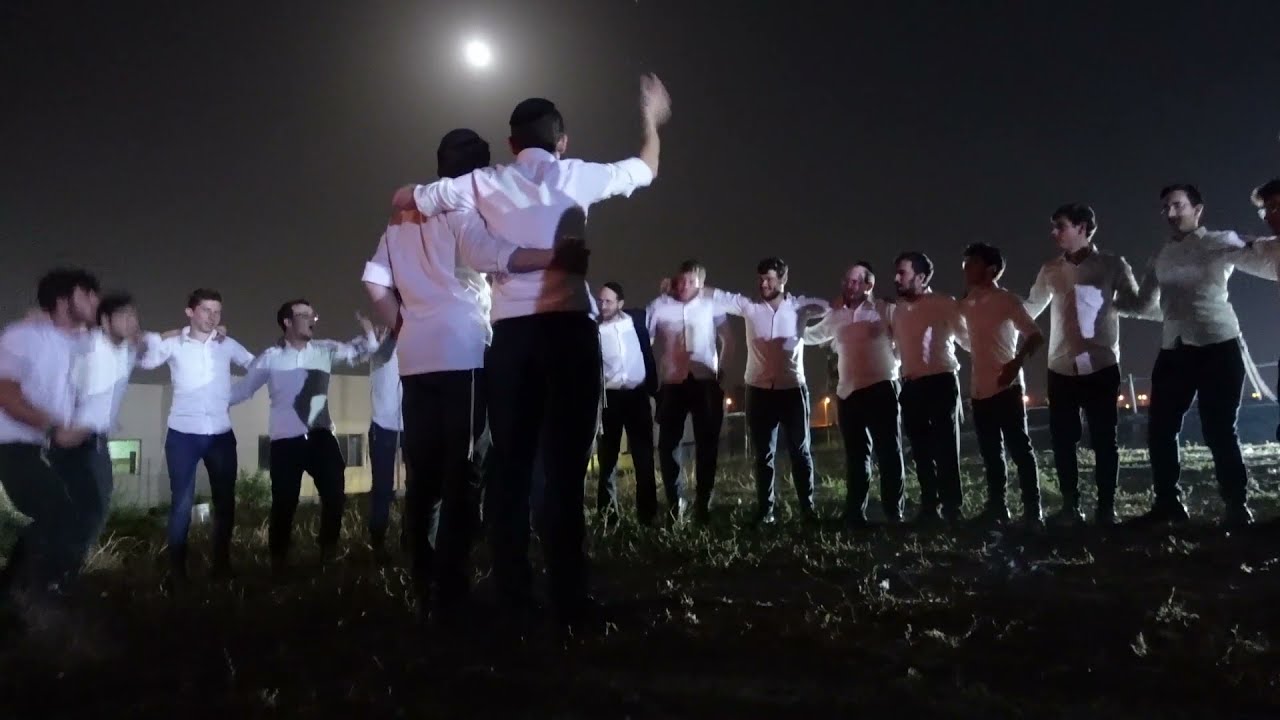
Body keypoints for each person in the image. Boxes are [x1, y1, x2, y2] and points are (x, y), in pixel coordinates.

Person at [391, 74, 671, 630]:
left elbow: (405, 197)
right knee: (564, 471)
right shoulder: (578, 174)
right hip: (569, 333)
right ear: (561, 142)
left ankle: (513, 593)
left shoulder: (482, 183)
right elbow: (646, 167)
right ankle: (569, 597)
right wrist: (651, 118)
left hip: (512, 339)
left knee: (512, 468)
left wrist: (421, 203)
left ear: (511, 143)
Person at [367, 128, 579, 623]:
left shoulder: (398, 219)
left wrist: (402, 324)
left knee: (422, 475)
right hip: (461, 353)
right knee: (462, 474)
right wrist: (554, 257)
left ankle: (423, 581)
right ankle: (450, 592)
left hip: (415, 358)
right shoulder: (462, 207)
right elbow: (491, 256)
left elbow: (374, 281)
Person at [1129, 184, 1270, 528]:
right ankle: (1167, 504)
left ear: (1197, 209)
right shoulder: (1160, 255)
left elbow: (1265, 262)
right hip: (1175, 348)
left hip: (1218, 344)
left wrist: (1258, 242)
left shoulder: (1219, 242)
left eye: (1178, 205)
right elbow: (1145, 305)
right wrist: (1109, 302)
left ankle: (1236, 506)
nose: (1171, 213)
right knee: (1160, 429)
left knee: (1219, 430)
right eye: (1166, 207)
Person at [230, 302, 378, 573]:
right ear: (287, 322)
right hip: (285, 441)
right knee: (284, 503)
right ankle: (278, 560)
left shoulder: (324, 350)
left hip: (320, 436)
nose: (311, 320)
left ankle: (327, 552)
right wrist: (206, 402)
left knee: (335, 495)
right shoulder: (271, 358)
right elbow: (242, 390)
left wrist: (368, 330)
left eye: (313, 315)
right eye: (304, 315)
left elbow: (363, 351)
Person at [1024, 203, 1143, 525]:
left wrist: (1162, 289)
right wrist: (996, 312)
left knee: (1104, 439)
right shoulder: (1050, 269)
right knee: (1063, 440)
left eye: (1060, 226)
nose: (1054, 233)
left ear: (1082, 227)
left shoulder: (1112, 265)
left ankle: (1106, 508)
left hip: (1101, 364)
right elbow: (1031, 308)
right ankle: (1070, 507)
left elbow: (1136, 303)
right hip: (1060, 366)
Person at [0, 269, 98, 627]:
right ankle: (36, 596)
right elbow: (6, 393)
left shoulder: (79, 340)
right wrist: (54, 427)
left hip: (41, 445)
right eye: (87, 294)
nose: (95, 301)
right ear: (62, 300)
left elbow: (129, 341)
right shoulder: (23, 336)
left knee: (74, 512)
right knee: (58, 512)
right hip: (10, 442)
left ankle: (16, 591)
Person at [137, 288, 255, 580]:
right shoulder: (174, 344)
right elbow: (144, 360)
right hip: (183, 435)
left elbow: (257, 368)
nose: (212, 317)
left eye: (217, 311)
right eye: (206, 310)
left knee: (225, 502)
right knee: (181, 503)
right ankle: (177, 571)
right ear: (190, 312)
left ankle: (221, 565)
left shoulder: (226, 345)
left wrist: (233, 396)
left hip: (220, 435)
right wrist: (168, 334)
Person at [705, 257, 830, 525]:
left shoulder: (797, 306)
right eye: (761, 279)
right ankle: (766, 510)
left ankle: (807, 509)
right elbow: (717, 296)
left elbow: (826, 307)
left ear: (783, 279)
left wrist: (806, 313)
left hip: (793, 388)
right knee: (763, 454)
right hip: (759, 390)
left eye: (770, 279)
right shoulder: (749, 307)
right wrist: (687, 285)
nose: (763, 284)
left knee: (800, 451)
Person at [802, 261, 904, 528]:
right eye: (846, 281)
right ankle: (855, 512)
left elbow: (905, 338)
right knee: (856, 456)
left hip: (882, 388)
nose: (849, 286)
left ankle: (893, 512)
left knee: (889, 452)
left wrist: (896, 363)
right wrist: (804, 315)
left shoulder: (884, 309)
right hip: (848, 392)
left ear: (869, 285)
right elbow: (810, 336)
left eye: (855, 281)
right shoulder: (837, 314)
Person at [958, 243, 1044, 528]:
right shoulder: (966, 303)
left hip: (1006, 387)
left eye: (973, 263)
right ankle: (997, 507)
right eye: (966, 263)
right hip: (979, 388)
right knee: (991, 453)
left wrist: (1015, 364)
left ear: (991, 269)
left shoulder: (1006, 300)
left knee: (1020, 449)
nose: (966, 268)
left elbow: (1034, 335)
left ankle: (1033, 510)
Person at [647, 260, 733, 523]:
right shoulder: (660, 305)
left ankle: (703, 503)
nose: (684, 286)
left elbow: (728, 338)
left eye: (691, 282)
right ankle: (676, 502)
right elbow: (646, 337)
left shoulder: (711, 304)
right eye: (681, 280)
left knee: (706, 444)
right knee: (667, 445)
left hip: (705, 379)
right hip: (673, 381)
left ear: (701, 283)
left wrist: (722, 370)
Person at [891, 251, 967, 525]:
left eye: (903, 273)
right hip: (911, 385)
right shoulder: (898, 310)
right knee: (921, 450)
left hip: (941, 381)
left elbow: (967, 338)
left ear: (921, 277)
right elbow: (896, 349)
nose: (896, 278)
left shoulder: (944, 303)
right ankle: (929, 506)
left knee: (946, 447)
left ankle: (952, 507)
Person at [594, 281, 658, 524]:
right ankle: (608, 516)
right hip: (610, 399)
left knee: (644, 458)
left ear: (620, 303)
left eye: (608, 301)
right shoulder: (595, 331)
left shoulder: (637, 320)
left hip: (637, 396)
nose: (603, 306)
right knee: (608, 459)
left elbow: (658, 311)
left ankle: (647, 516)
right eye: (601, 301)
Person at [364, 327, 402, 561]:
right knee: (383, 489)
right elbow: (382, 353)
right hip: (383, 429)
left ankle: (412, 539)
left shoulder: (411, 347)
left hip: (411, 425)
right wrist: (370, 331)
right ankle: (377, 543)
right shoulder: (378, 350)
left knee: (420, 486)